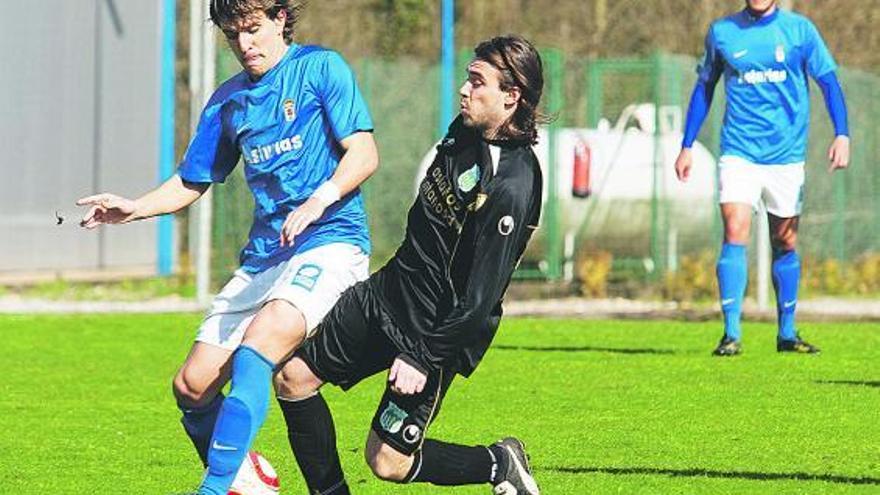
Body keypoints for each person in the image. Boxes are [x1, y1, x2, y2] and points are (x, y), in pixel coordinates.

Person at [77, 1, 377, 493]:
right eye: (233, 34)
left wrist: (319, 201)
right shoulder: (228, 100)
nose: (244, 44)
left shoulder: (321, 68)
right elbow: (191, 180)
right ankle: (246, 477)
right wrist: (134, 208)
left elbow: (363, 153)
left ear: (281, 18)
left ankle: (215, 488)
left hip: (331, 241)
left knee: (257, 351)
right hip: (266, 256)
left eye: (253, 29)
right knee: (191, 387)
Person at [270, 35, 545, 495]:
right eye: (467, 77)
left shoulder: (512, 186)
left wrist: (423, 354)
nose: (464, 89)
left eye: (477, 82)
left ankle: (498, 463)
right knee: (293, 378)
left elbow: (479, 299)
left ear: (511, 96)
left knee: (388, 461)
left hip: (434, 331)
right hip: (387, 294)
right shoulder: (465, 131)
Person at [674, 0, 850, 356]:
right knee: (735, 228)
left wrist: (842, 133)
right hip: (739, 151)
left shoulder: (800, 31)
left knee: (784, 240)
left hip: (786, 155)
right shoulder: (722, 32)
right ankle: (731, 334)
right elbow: (704, 87)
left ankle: (786, 333)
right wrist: (687, 144)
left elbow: (829, 82)